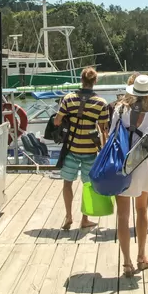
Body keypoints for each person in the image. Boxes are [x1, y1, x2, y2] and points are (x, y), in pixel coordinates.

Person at [110, 74, 148, 277]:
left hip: (121, 165)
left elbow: (111, 136)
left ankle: (126, 263)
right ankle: (142, 256)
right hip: (140, 166)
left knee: (122, 216)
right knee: (142, 211)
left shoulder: (119, 109)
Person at [52, 67, 109, 230]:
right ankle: (85, 219)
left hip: (71, 147)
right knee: (88, 185)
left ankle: (68, 216)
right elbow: (104, 130)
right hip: (90, 150)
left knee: (67, 183)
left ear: (81, 80)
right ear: (95, 81)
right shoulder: (101, 103)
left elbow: (57, 121)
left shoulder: (68, 98)